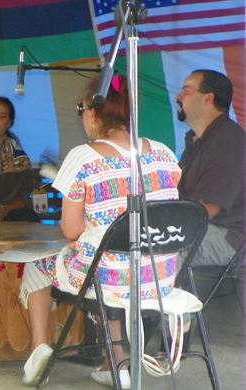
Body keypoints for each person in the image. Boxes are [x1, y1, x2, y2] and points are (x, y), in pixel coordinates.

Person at [18, 75, 182, 388]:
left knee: (38, 264)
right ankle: (114, 362)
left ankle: (38, 348)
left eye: (81, 109)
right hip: (158, 276)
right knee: (105, 257)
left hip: (109, 277)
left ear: (93, 114)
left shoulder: (83, 156)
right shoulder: (164, 153)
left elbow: (70, 230)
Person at [175, 69, 244, 269]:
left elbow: (207, 210)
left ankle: (157, 300)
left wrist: (160, 224)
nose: (178, 96)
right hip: (203, 230)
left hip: (226, 237)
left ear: (207, 98)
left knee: (158, 252)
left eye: (186, 90)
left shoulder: (228, 140)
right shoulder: (197, 140)